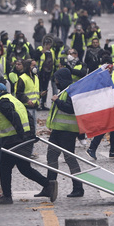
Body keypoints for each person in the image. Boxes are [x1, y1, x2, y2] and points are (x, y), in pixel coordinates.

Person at [0, 82, 54, 205]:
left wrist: (21, 134)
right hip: (22, 138)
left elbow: (14, 117)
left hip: (13, 139)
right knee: (24, 168)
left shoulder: (2, 102)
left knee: (4, 167)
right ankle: (47, 185)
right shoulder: (13, 99)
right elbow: (28, 117)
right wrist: (30, 134)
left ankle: (7, 196)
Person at [44, 68, 85, 198]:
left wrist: (57, 101)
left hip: (68, 132)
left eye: (56, 79)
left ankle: (78, 188)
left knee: (70, 159)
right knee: (51, 157)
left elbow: (70, 108)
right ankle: (49, 187)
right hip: (58, 131)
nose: (55, 81)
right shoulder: (64, 91)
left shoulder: (71, 91)